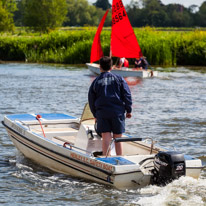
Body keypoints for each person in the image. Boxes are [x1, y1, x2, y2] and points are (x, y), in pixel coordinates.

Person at [88, 56, 132, 156]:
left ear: (100, 67)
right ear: (111, 67)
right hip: (117, 113)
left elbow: (91, 99)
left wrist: (95, 114)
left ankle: (107, 158)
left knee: (105, 138)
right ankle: (120, 158)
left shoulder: (95, 82)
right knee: (118, 139)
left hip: (102, 113)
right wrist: (129, 110)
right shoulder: (119, 79)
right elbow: (127, 94)